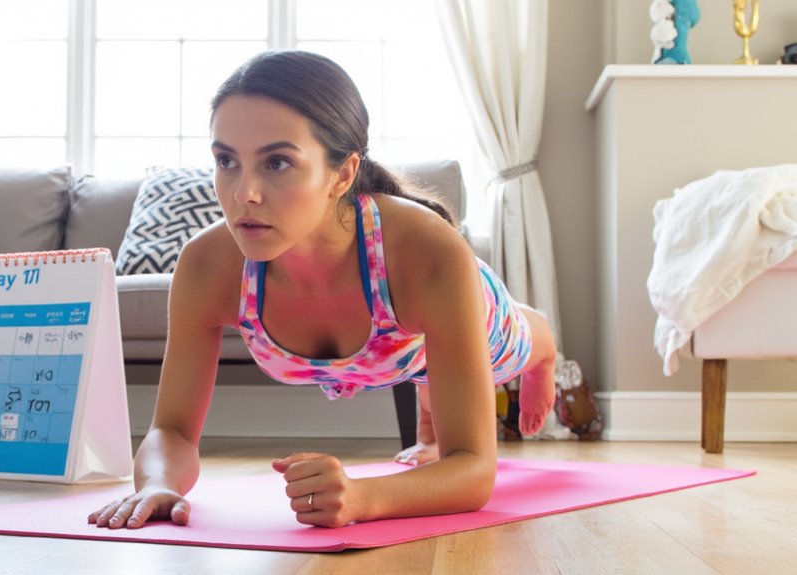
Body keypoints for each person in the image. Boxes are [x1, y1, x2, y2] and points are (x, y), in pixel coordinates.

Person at [89, 50, 556, 530]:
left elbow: (474, 471)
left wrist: (362, 497)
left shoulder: (432, 254)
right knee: (429, 382)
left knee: (515, 343)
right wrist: (157, 484)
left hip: (445, 313)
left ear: (343, 173)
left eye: (277, 163)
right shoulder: (207, 266)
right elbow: (172, 429)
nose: (242, 193)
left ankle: (545, 352)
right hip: (405, 345)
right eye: (226, 160)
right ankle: (430, 416)